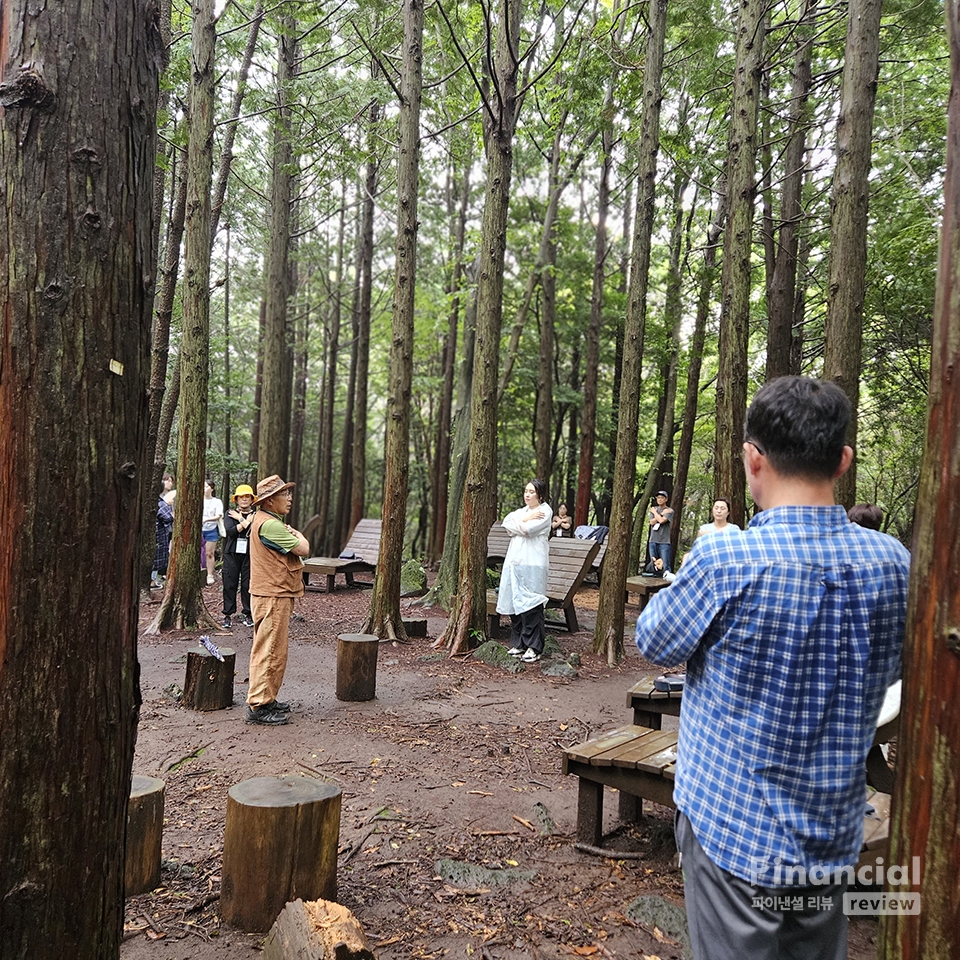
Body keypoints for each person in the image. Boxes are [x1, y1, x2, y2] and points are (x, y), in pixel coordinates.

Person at [635, 376, 910, 960]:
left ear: (751, 459)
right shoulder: (894, 565)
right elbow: (894, 673)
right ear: (843, 461)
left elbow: (655, 641)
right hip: (832, 834)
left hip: (732, 835)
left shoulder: (725, 557)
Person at [246, 474, 310, 725]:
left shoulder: (267, 520)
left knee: (273, 649)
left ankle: (267, 698)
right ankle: (259, 705)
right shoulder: (270, 524)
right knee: (270, 650)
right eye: (285, 494)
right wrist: (300, 535)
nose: (289, 498)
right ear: (270, 500)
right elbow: (303, 548)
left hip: (273, 592)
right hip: (272, 594)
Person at [497, 479, 552, 664]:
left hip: (533, 564)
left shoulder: (545, 511)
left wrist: (521, 524)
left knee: (531, 604)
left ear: (540, 494)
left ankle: (534, 646)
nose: (527, 494)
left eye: (531, 491)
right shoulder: (523, 512)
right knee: (515, 603)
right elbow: (507, 525)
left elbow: (527, 531)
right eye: (526, 491)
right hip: (515, 562)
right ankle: (519, 643)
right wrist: (525, 519)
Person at [221, 484, 256, 629]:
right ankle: (228, 615)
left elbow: (255, 531)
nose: (244, 500)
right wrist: (247, 522)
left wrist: (241, 520)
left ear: (252, 499)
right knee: (229, 583)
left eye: (247, 496)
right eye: (241, 497)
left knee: (247, 585)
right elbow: (230, 532)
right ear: (236, 499)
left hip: (249, 554)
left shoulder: (256, 515)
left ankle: (248, 614)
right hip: (231, 554)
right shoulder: (230, 514)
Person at [152, 473, 175, 589]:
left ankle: (155, 579)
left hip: (162, 533)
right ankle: (151, 581)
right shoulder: (160, 503)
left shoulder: (158, 501)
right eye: (167, 481)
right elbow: (167, 517)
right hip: (159, 534)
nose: (169, 483)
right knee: (156, 557)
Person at [202, 480, 224, 586]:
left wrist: (206, 520)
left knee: (209, 553)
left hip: (211, 530)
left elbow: (219, 515)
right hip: (199, 530)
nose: (204, 488)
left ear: (212, 488)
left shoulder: (217, 502)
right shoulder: (198, 500)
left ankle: (209, 574)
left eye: (206, 486)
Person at [647, 490, 675, 572]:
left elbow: (662, 521)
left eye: (662, 498)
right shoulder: (654, 509)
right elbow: (651, 522)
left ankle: (666, 581)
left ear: (666, 499)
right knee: (654, 563)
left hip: (664, 542)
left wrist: (656, 514)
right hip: (653, 541)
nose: (659, 499)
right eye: (658, 498)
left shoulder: (670, 510)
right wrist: (660, 514)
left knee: (665, 564)